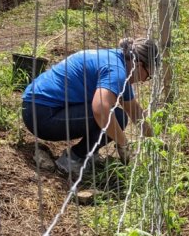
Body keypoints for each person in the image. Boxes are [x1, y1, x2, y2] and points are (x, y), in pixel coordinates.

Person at [21, 38, 159, 177]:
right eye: (148, 75)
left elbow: (135, 111)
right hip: (42, 116)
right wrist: (123, 143)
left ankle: (87, 154)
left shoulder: (116, 60)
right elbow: (100, 110)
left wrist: (154, 141)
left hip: (36, 106)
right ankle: (72, 160)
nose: (143, 81)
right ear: (139, 65)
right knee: (117, 117)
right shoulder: (116, 71)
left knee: (117, 117)